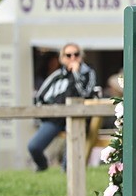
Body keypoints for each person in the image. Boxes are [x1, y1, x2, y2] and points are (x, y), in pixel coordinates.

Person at [28, 43, 100, 171]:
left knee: (70, 156)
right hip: (56, 117)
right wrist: (45, 114)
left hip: (78, 116)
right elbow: (40, 97)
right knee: (34, 147)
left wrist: (76, 74)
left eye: (76, 54)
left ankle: (66, 172)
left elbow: (85, 94)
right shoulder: (57, 76)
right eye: (68, 55)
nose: (73, 58)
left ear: (81, 56)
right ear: (62, 58)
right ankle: (42, 167)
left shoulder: (89, 73)